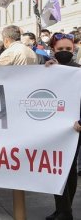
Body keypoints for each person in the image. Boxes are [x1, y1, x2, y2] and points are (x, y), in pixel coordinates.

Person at [44, 33, 80, 220]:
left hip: (74, 129)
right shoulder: (51, 68)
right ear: (53, 51)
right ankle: (61, 209)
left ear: (73, 50)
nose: (64, 52)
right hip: (54, 129)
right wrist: (48, 70)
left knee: (68, 169)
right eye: (60, 49)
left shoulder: (78, 71)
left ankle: (66, 211)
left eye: (68, 49)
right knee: (56, 168)